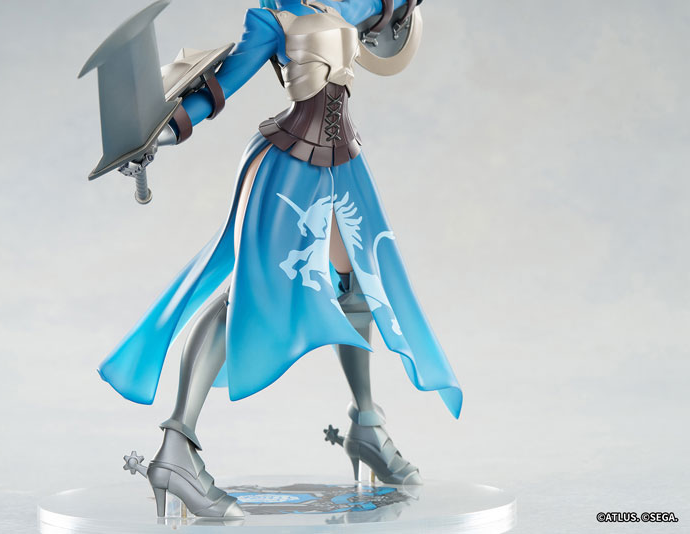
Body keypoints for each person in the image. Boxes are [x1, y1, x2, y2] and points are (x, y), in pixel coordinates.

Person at [97, 0, 462, 518]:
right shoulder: (271, 19)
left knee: (357, 285)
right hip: (288, 166)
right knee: (245, 295)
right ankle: (176, 449)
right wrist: (162, 131)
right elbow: (220, 86)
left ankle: (366, 426)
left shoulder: (343, 4)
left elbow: (387, 16)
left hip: (344, 164)